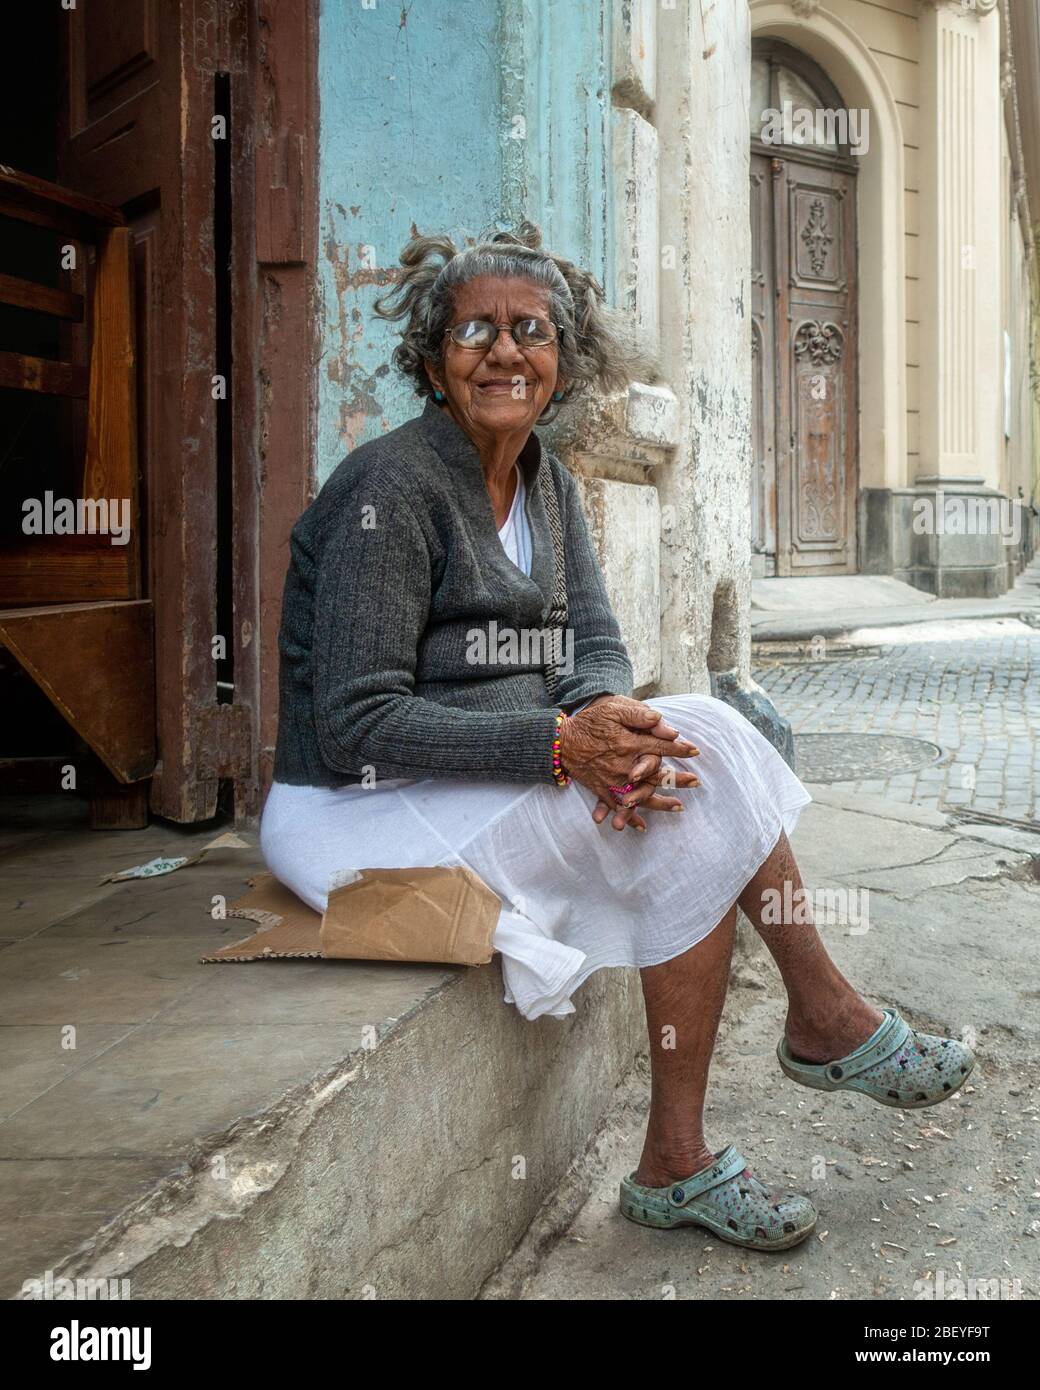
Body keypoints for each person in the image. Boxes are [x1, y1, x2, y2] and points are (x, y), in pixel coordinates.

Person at [261, 222, 974, 1251]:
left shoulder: (545, 481)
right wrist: (561, 746)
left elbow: (592, 641)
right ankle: (793, 1046)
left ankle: (729, 1109)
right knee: (696, 755)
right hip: (352, 807)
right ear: (431, 361)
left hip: (479, 768)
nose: (504, 351)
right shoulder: (394, 487)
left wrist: (606, 720)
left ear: (562, 364)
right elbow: (356, 721)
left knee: (679, 758)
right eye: (474, 332)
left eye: (529, 331)